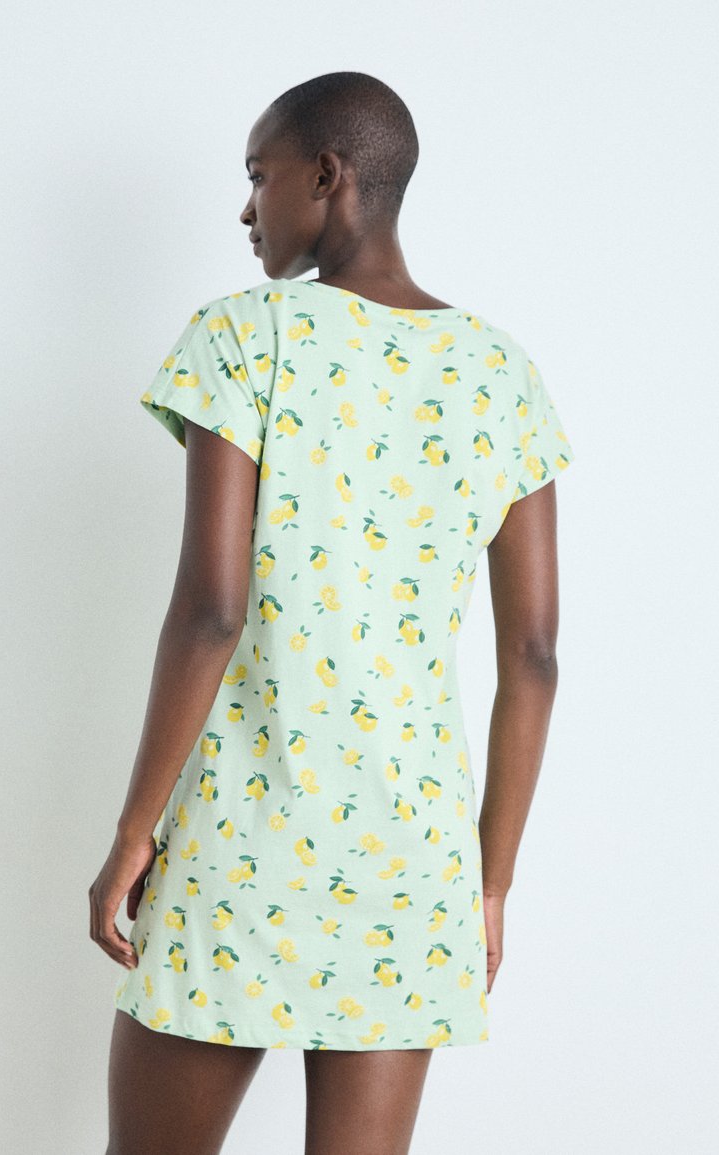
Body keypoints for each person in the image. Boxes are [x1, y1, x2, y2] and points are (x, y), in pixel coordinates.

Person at [90, 70, 576, 1155]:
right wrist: (489, 883)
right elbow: (535, 656)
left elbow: (211, 612)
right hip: (413, 858)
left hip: (240, 838)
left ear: (326, 175)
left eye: (258, 176)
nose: (246, 208)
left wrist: (131, 835)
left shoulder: (243, 337)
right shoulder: (502, 374)